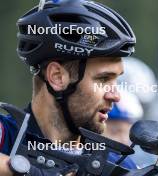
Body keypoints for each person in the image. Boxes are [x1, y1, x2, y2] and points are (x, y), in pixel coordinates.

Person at [0, 0, 136, 175]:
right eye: (103, 79)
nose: (116, 96)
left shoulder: (116, 165)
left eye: (116, 80)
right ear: (57, 77)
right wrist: (30, 171)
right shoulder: (6, 135)